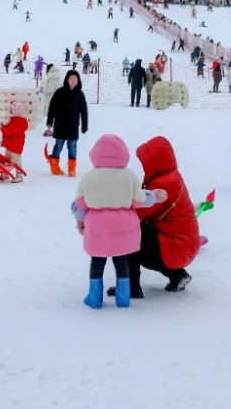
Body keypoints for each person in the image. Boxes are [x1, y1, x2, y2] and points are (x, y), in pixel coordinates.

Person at [71, 134, 167, 308]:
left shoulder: (89, 177)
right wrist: (153, 196)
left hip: (97, 227)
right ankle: (123, 297)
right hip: (124, 227)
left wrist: (80, 221)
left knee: (97, 261)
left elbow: (80, 203)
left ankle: (94, 296)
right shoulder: (128, 176)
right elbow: (138, 200)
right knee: (121, 261)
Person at [106, 136, 199, 298]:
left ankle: (130, 286)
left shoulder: (164, 183)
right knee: (142, 235)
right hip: (182, 244)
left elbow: (139, 211)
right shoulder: (169, 176)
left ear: (156, 161)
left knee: (130, 234)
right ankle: (178, 275)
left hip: (176, 245)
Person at [45, 69, 88, 177]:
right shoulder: (60, 92)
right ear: (67, 80)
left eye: (75, 79)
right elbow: (52, 107)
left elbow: (84, 110)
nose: (73, 81)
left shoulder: (80, 94)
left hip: (73, 125)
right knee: (58, 145)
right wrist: (50, 121)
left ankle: (72, 168)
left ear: (78, 81)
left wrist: (84, 125)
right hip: (60, 124)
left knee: (72, 146)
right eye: (71, 79)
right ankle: (54, 165)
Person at [0, 101, 28, 180]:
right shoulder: (13, 120)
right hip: (10, 145)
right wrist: (4, 125)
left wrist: (3, 128)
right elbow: (9, 128)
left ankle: (19, 176)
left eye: (11, 110)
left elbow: (11, 131)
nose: (10, 111)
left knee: (16, 161)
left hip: (16, 146)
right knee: (6, 159)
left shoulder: (20, 122)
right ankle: (5, 174)